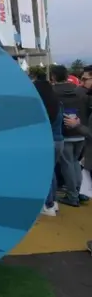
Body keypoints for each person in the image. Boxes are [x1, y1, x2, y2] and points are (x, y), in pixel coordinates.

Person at [51, 64, 91, 206]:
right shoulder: (78, 90)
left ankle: (72, 196)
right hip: (80, 132)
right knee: (75, 163)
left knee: (67, 165)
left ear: (53, 76)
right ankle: (79, 192)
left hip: (65, 134)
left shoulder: (52, 92)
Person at [33, 74, 63, 216]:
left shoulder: (41, 108)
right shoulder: (57, 104)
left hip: (47, 143)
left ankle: (48, 205)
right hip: (59, 141)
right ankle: (53, 202)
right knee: (51, 172)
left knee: (46, 174)